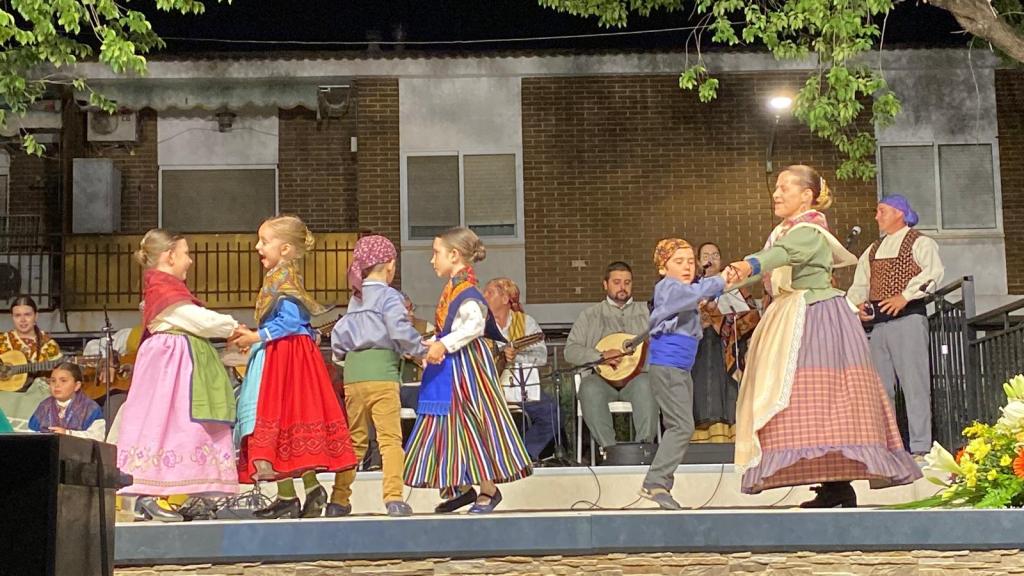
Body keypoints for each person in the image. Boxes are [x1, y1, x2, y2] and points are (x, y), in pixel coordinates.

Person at [725, 165, 921, 508]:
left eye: (784, 187)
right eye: (776, 187)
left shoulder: (809, 230)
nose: (776, 193)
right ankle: (832, 484)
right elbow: (771, 264)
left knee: (823, 398)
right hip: (791, 314)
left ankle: (838, 483)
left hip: (814, 316)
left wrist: (747, 265)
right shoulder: (785, 231)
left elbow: (781, 255)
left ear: (806, 196)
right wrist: (719, 282)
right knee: (804, 401)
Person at [116, 229, 247, 522]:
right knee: (166, 425)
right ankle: (149, 495)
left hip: (179, 366)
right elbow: (197, 319)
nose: (190, 260)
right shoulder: (164, 291)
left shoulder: (166, 289)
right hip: (170, 370)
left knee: (189, 429)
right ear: (169, 256)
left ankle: (191, 494)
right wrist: (235, 327)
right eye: (186, 253)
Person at [232, 215, 357, 520]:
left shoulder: (284, 280)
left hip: (286, 358)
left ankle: (294, 495)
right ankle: (301, 492)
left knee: (276, 418)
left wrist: (256, 336)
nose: (258, 246)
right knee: (281, 425)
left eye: (265, 241)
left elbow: (289, 322)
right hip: (281, 353)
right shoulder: (280, 276)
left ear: (285, 248)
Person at [404, 227, 532, 514]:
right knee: (450, 424)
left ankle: (489, 490)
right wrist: (432, 344)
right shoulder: (455, 288)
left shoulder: (468, 292)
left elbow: (474, 326)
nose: (432, 260)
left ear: (454, 255)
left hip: (467, 367)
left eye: (436, 253)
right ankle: (461, 487)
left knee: (474, 421)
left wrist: (443, 345)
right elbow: (453, 328)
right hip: (454, 364)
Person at [328, 235, 426, 518]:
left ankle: (339, 500)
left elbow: (339, 339)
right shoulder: (390, 296)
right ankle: (393, 498)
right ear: (390, 264)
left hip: (353, 376)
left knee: (355, 440)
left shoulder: (355, 299)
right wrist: (421, 349)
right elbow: (399, 330)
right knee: (389, 439)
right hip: (382, 373)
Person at [847, 195, 944, 457]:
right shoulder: (873, 249)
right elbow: (860, 284)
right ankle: (888, 446)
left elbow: (933, 273)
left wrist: (905, 296)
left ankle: (920, 446)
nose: (876, 216)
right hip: (878, 325)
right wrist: (857, 307)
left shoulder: (920, 242)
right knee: (880, 389)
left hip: (908, 320)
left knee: (915, 384)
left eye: (882, 211)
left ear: (899, 213)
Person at [640, 239, 728, 510]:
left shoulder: (681, 291)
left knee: (678, 424)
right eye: (679, 262)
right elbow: (699, 291)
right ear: (663, 268)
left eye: (690, 261)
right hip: (669, 367)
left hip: (680, 368)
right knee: (682, 426)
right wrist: (725, 277)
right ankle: (656, 482)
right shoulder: (669, 287)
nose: (687, 266)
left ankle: (659, 481)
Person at [564, 262, 658, 457]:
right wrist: (600, 356)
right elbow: (570, 351)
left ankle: (643, 450)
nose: (622, 287)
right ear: (605, 284)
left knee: (647, 384)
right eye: (616, 282)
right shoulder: (590, 315)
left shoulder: (647, 312)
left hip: (637, 378)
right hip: (602, 380)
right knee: (588, 388)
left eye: (627, 282)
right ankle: (610, 451)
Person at [482, 277, 559, 462]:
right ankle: (486, 459)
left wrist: (516, 356)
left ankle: (522, 455)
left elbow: (541, 356)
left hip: (520, 388)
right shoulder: (477, 324)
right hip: (486, 389)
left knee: (552, 412)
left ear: (505, 299)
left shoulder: (526, 322)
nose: (484, 296)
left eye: (489, 293)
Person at [691, 242, 760, 443]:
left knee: (732, 387)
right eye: (705, 256)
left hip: (733, 347)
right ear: (698, 262)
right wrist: (701, 321)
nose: (710, 259)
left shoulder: (734, 286)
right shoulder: (692, 289)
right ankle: (707, 435)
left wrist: (725, 319)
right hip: (702, 348)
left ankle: (735, 434)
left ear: (721, 261)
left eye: (715, 255)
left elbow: (752, 317)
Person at [0, 296, 63, 431]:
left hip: (37, 396)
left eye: (27, 315)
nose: (23, 320)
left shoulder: (48, 345)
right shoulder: (2, 341)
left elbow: (60, 374)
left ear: (36, 316)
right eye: (18, 315)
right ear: (12, 317)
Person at [28, 362, 105, 441]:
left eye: (63, 381)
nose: (57, 385)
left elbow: (98, 437)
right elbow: (30, 434)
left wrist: (68, 433)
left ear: (77, 385)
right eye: (53, 381)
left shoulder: (90, 408)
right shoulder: (44, 406)